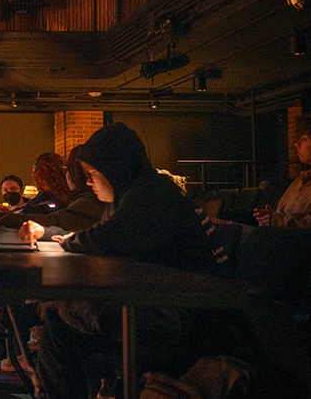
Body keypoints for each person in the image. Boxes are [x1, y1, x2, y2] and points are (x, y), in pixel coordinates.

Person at [32, 123, 219, 398]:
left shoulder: (153, 192)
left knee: (66, 317)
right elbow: (99, 236)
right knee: (60, 328)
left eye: (91, 174)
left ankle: (46, 310)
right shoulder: (134, 195)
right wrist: (56, 235)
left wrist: (66, 240)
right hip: (165, 304)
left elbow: (105, 240)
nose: (88, 182)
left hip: (185, 320)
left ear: (114, 168)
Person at [253, 114, 311, 228]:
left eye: (304, 139)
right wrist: (271, 216)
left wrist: (277, 220)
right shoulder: (300, 181)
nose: (296, 144)